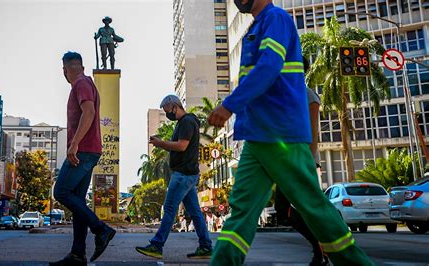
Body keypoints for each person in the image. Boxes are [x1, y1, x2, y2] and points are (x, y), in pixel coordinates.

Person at [207, 1, 374, 265]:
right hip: (258, 134)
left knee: (312, 206)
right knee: (242, 212)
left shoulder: (276, 19)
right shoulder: (258, 25)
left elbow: (269, 67)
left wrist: (229, 106)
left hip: (278, 132)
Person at [50, 52, 116, 266]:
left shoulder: (81, 84)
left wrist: (75, 143)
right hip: (90, 150)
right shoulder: (85, 82)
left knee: (60, 191)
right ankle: (78, 254)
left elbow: (88, 113)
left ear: (65, 69)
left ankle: (101, 229)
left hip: (84, 150)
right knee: (77, 200)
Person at [135, 95, 213, 259]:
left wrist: (160, 143)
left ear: (175, 106)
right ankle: (206, 246)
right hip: (189, 175)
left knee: (170, 209)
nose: (168, 114)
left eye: (167, 111)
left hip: (183, 175)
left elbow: (181, 146)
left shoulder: (186, 122)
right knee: (195, 212)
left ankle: (156, 245)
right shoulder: (187, 122)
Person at [274, 57, 329, 266]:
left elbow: (313, 136)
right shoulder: (291, 96)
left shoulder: (308, 96)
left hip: (303, 163)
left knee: (307, 210)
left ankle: (322, 251)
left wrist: (305, 164)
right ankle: (320, 250)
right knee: (283, 209)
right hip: (289, 163)